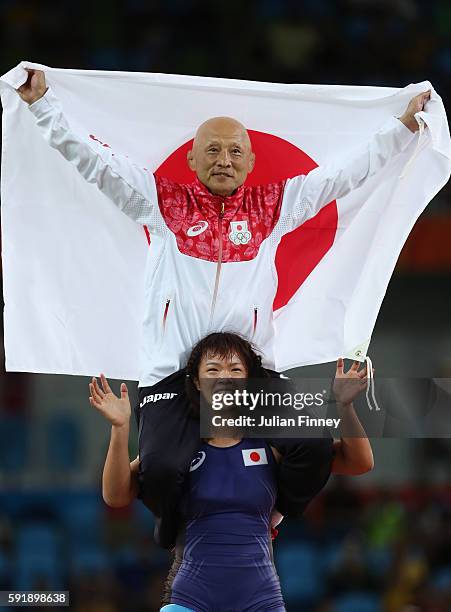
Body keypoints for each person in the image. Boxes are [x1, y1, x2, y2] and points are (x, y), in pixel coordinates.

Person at [17, 69, 426, 546]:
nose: (224, 159)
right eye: (211, 149)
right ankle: (176, 524)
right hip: (171, 375)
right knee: (163, 470)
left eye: (235, 151)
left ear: (251, 162)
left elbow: (342, 176)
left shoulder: (275, 207)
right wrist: (42, 106)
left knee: (313, 447)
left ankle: (273, 511)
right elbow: (95, 164)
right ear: (191, 159)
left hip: (247, 375)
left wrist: (402, 128)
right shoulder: (162, 202)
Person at [90, 332, 374, 612]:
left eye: (235, 369)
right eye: (213, 369)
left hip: (261, 601)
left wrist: (345, 407)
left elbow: (359, 463)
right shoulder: (175, 451)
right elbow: (115, 495)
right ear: (198, 382)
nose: (224, 376)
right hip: (191, 601)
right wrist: (120, 428)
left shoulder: (272, 445)